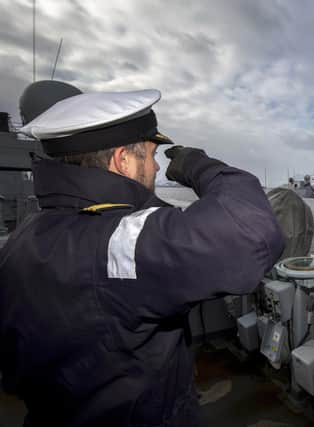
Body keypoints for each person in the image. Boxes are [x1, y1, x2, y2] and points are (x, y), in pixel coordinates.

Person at [0, 88, 285, 426]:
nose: (155, 169)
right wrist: (196, 165)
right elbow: (251, 232)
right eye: (149, 156)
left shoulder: (24, 237)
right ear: (122, 160)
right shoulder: (114, 241)